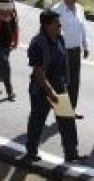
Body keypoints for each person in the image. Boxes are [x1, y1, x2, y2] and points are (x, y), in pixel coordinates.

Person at [24, 9, 86, 163]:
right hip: (42, 90)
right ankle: (31, 152)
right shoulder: (37, 43)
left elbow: (63, 62)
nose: (60, 25)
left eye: (60, 23)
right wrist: (50, 93)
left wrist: (64, 84)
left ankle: (71, 153)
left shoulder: (60, 39)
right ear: (46, 25)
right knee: (37, 122)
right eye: (56, 23)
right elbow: (39, 73)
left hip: (59, 87)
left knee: (68, 122)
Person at [51, 0, 88, 119]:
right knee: (61, 81)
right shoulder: (57, 10)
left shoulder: (79, 9)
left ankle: (71, 109)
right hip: (62, 50)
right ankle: (61, 111)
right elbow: (50, 31)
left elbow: (83, 27)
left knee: (74, 81)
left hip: (75, 50)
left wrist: (85, 45)